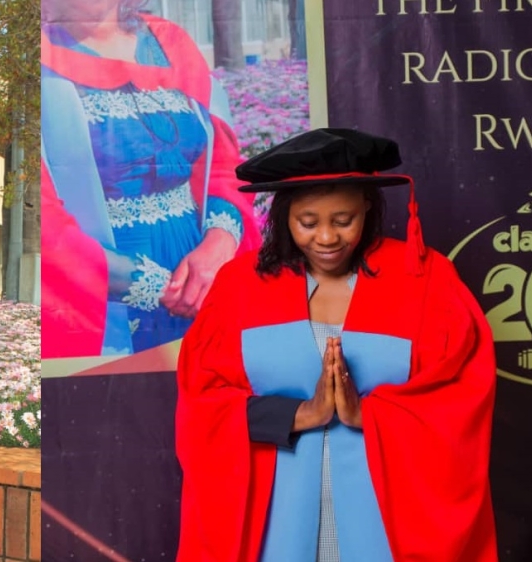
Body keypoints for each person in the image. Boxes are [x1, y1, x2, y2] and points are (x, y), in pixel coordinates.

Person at [175, 129, 498, 561]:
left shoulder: (424, 279)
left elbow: (460, 397)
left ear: (368, 206)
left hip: (387, 517)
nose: (326, 238)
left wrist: (366, 414)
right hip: (276, 519)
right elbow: (203, 404)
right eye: (308, 222)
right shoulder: (240, 286)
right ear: (283, 214)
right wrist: (302, 413)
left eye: (344, 220)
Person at [41, 0, 261, 358]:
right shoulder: (42, 60)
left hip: (205, 275)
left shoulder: (170, 42)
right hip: (107, 289)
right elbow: (46, 224)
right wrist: (164, 289)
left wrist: (219, 244)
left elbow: (222, 163)